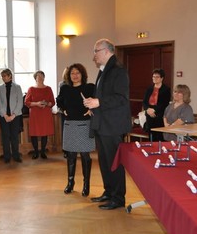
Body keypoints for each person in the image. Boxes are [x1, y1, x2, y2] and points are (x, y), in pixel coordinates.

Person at [83, 38, 131, 210]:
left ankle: (118, 198)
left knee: (114, 162)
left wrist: (99, 102)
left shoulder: (118, 70)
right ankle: (109, 192)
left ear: (105, 51)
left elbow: (121, 98)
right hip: (102, 124)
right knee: (104, 161)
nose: (94, 56)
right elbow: (103, 96)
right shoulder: (104, 70)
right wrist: (93, 104)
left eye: (96, 51)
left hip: (113, 126)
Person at [56, 63, 95, 197]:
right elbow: (59, 101)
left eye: (77, 73)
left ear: (82, 74)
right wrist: (64, 109)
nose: (75, 75)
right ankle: (70, 182)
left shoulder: (89, 88)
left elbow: (97, 101)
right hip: (70, 125)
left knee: (85, 155)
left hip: (84, 125)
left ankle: (86, 184)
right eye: (72, 73)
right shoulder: (65, 88)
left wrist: (91, 109)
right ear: (69, 75)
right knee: (71, 155)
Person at [24, 70, 55, 159]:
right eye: (38, 76)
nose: (40, 77)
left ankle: (42, 152)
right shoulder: (31, 89)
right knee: (34, 133)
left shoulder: (48, 88)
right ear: (35, 78)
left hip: (45, 114)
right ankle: (36, 152)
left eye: (42, 76)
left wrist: (47, 104)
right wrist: (36, 103)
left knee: (44, 133)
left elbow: (52, 102)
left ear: (44, 77)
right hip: (35, 114)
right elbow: (26, 102)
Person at [0, 68, 24, 163]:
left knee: (14, 136)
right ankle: (7, 156)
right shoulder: (0, 88)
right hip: (3, 117)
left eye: (4, 76)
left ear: (10, 76)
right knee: (5, 136)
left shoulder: (17, 87)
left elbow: (20, 102)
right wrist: (5, 115)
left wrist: (13, 115)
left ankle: (16, 155)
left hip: (15, 116)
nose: (3, 78)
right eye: (2, 76)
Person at [142, 68, 171, 141]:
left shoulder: (166, 89)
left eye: (157, 77)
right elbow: (144, 102)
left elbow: (164, 104)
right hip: (149, 114)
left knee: (159, 136)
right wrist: (148, 109)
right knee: (151, 135)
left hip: (159, 115)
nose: (154, 78)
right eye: (153, 76)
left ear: (162, 78)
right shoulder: (149, 88)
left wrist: (154, 110)